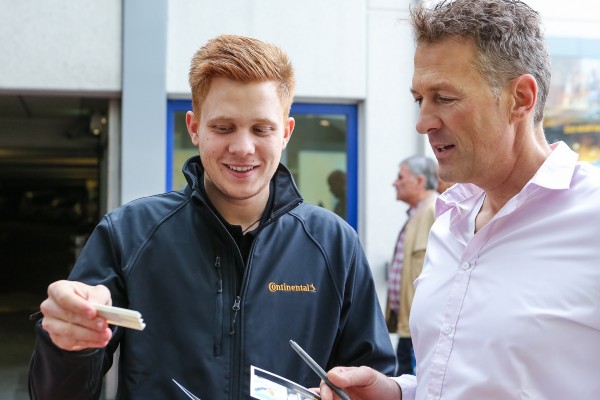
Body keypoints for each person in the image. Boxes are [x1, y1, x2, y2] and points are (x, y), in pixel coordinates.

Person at [28, 34, 396, 399]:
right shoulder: (129, 233)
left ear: (285, 132)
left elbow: (373, 379)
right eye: (223, 127)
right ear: (194, 127)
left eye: (261, 129)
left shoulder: (333, 242)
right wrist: (64, 343)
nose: (242, 147)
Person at [319, 0, 600, 399]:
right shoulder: (450, 221)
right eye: (420, 99)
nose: (424, 122)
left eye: (444, 98)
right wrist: (396, 393)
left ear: (520, 98)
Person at [384, 155, 438, 375]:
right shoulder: (418, 213)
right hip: (409, 328)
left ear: (420, 181)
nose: (395, 183)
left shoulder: (436, 211)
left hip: (422, 330)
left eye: (400, 177)